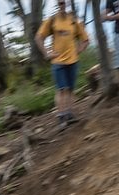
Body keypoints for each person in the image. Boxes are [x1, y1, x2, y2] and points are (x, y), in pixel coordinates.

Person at [37, 0, 90, 128]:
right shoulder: (52, 20)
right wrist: (46, 53)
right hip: (58, 61)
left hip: (73, 61)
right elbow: (39, 37)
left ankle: (70, 114)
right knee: (61, 89)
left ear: (66, 4)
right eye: (59, 3)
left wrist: (79, 50)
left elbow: (86, 39)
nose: (62, 5)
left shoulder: (73, 21)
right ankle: (61, 116)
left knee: (71, 89)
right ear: (57, 5)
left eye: (63, 3)